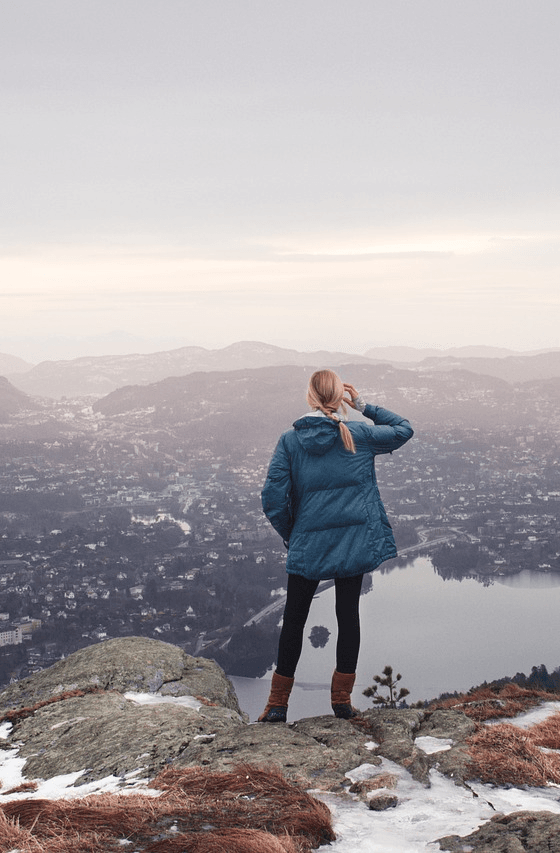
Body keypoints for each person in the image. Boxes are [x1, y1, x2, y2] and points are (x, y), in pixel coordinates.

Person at [258, 369, 413, 722]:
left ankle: (277, 705)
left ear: (310, 397)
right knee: (348, 616)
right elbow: (404, 429)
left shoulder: (290, 441)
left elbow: (272, 498)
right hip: (353, 542)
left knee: (294, 620)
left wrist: (292, 533)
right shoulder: (358, 433)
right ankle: (341, 702)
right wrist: (363, 405)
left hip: (308, 544)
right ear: (338, 398)